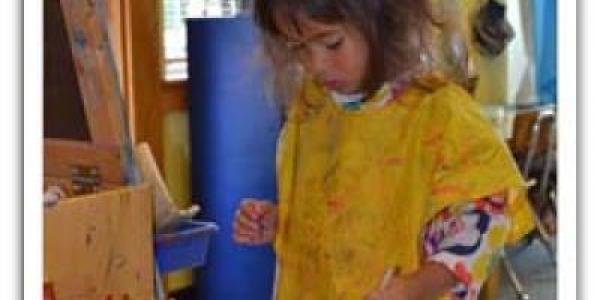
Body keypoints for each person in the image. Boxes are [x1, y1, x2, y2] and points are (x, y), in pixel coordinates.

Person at [233, 0, 534, 299]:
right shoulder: (312, 111)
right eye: (298, 47)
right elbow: (334, 211)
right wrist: (281, 220)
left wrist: (416, 286)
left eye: (332, 44)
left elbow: (484, 222)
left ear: (384, 22)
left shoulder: (439, 113)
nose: (315, 65)